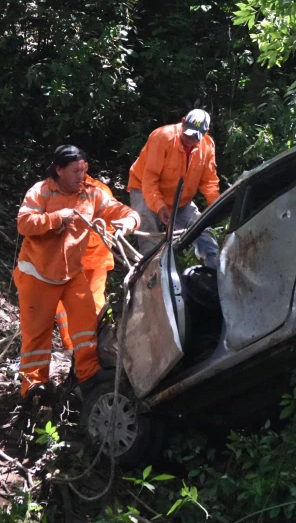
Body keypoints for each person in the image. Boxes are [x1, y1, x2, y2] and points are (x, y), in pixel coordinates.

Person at [14, 145, 139, 398]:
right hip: (37, 274)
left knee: (86, 328)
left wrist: (129, 221)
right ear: (59, 170)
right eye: (75, 171)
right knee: (36, 337)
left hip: (72, 274)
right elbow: (23, 223)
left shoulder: (92, 194)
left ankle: (89, 376)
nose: (81, 176)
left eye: (84, 170)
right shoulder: (41, 191)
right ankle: (34, 387)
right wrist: (56, 218)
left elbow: (122, 210)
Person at [127, 108, 221, 268]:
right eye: (188, 133)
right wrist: (160, 206)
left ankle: (217, 271)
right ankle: (152, 277)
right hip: (144, 189)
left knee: (203, 233)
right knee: (150, 240)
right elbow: (149, 180)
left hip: (180, 199)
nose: (190, 139)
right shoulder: (162, 137)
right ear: (183, 122)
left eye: (195, 136)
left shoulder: (207, 147)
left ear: (206, 131)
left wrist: (218, 204)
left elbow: (209, 182)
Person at [54, 176, 116, 353]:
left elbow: (106, 229)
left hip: (94, 259)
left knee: (93, 303)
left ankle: (93, 346)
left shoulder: (100, 193)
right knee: (65, 305)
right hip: (70, 260)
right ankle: (73, 348)